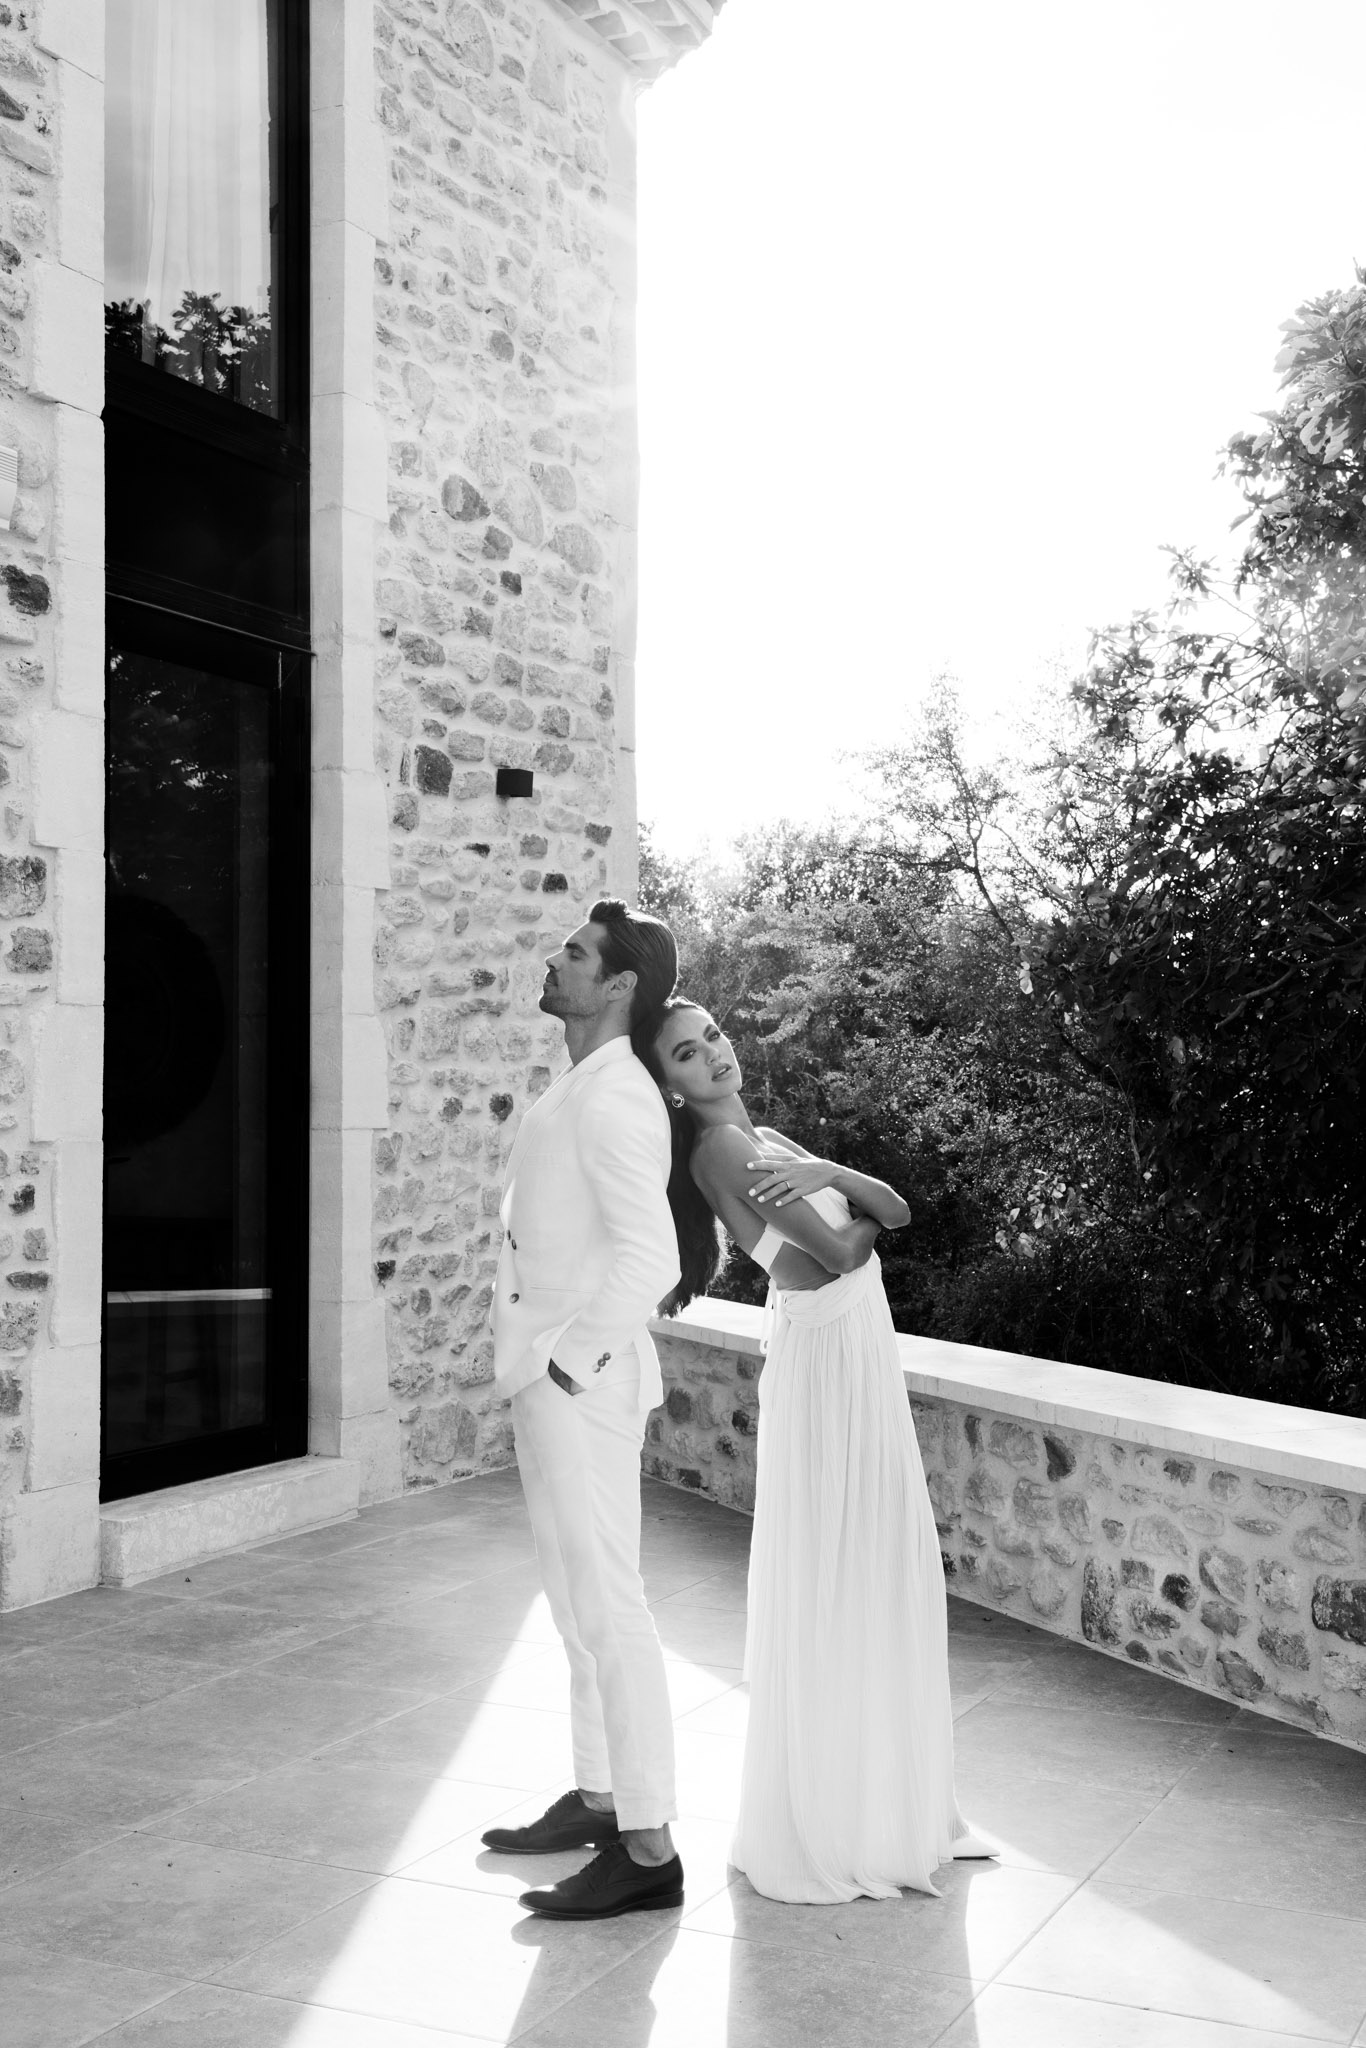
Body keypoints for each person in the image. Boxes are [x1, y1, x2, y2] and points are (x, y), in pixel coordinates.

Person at [633, 995, 991, 1905]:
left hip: (853, 1344)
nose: (712, 1054)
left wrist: (829, 1164)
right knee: (843, 1568)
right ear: (670, 1086)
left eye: (711, 1034)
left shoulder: (776, 1139)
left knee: (879, 1565)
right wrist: (854, 1211)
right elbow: (844, 1251)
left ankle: (898, 1806)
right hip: (830, 1348)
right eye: (686, 1054)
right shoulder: (720, 1150)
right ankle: (841, 1822)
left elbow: (901, 1213)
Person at [482, 900, 686, 1921]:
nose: (554, 961)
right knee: (573, 1605)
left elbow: (654, 1257)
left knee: (611, 1605)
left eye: (574, 952)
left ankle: (647, 1842)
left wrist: (570, 1359)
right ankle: (601, 1792)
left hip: (581, 1384)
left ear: (615, 986)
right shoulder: (581, 1082)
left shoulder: (616, 1097)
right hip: (548, 1374)